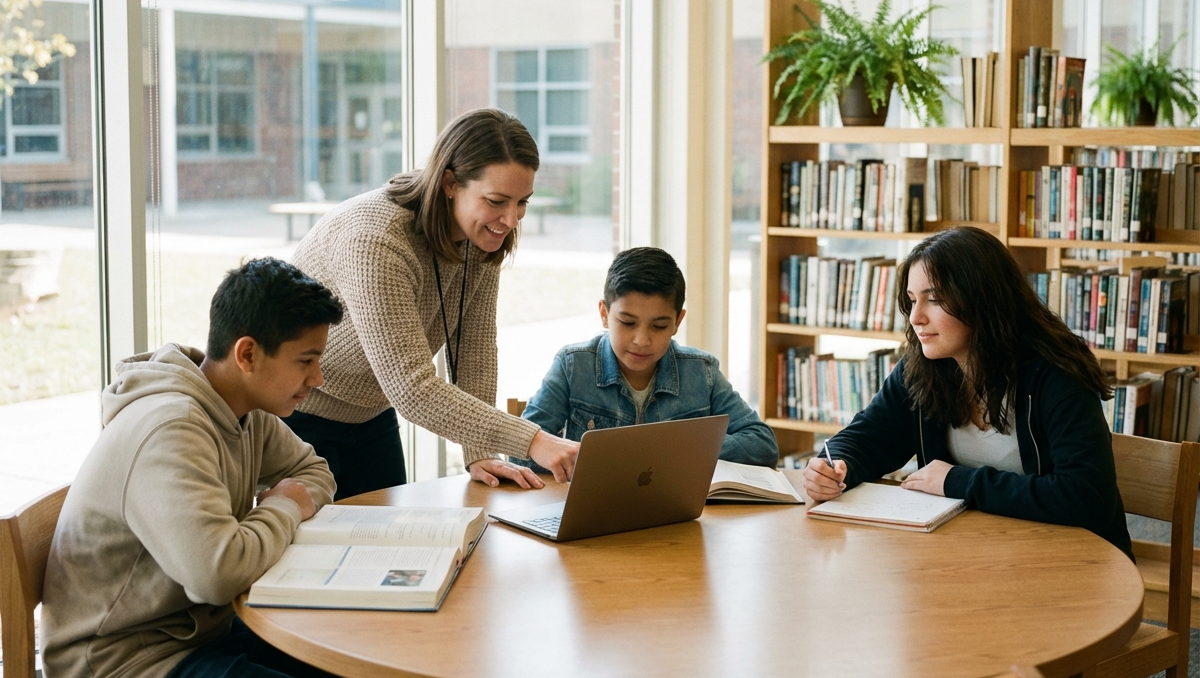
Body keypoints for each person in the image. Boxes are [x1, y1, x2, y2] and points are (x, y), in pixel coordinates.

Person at [41, 258, 397, 678]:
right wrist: (282, 508)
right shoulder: (170, 429)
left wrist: (276, 508)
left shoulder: (243, 409)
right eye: (305, 361)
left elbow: (314, 471)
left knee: (376, 676)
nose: (317, 379)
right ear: (247, 354)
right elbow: (218, 574)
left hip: (198, 635)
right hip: (122, 674)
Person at [287, 107, 579, 497]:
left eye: (522, 202)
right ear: (449, 182)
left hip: (372, 415)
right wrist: (533, 441)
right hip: (296, 415)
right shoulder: (377, 239)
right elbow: (412, 388)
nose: (510, 219)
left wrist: (479, 452)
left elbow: (472, 351)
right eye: (496, 201)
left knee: (385, 547)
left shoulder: (482, 236)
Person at [801, 226, 1133, 560]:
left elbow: (1085, 498)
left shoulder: (1056, 375)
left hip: (1069, 562)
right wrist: (834, 468)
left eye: (934, 299)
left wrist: (958, 482)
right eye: (913, 300)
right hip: (970, 554)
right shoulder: (922, 368)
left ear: (982, 300)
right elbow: (868, 438)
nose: (916, 317)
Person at [518, 247, 778, 468]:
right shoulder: (573, 366)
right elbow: (521, 451)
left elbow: (763, 444)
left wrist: (680, 449)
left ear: (677, 322)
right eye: (628, 323)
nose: (641, 340)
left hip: (675, 516)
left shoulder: (702, 372)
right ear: (604, 314)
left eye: (659, 326)